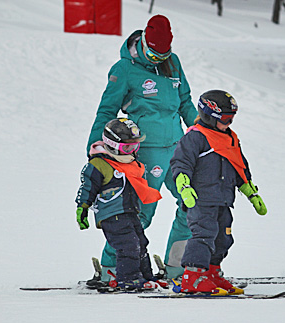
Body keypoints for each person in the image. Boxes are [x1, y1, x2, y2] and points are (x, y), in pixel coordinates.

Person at [85, 14, 198, 283]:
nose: (159, 59)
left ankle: (177, 267)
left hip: (178, 148)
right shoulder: (124, 69)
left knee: (193, 203)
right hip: (142, 152)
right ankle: (111, 268)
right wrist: (95, 146)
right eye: (154, 54)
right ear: (144, 42)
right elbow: (107, 110)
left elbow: (185, 101)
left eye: (164, 54)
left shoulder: (173, 62)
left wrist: (201, 129)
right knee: (137, 215)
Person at [170, 90, 267, 295]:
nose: (229, 123)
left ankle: (212, 273)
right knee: (204, 235)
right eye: (225, 119)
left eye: (232, 118)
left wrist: (250, 191)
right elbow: (180, 163)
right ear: (209, 115)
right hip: (200, 199)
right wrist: (184, 187)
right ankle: (193, 278)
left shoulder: (230, 138)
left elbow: (239, 166)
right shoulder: (196, 137)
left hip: (223, 198)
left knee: (223, 238)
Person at [76, 118, 162, 291]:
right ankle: (128, 279)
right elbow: (87, 187)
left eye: (135, 147)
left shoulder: (131, 163)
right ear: (112, 144)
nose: (132, 151)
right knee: (128, 245)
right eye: (127, 148)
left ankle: (146, 276)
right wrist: (82, 207)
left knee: (141, 243)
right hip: (111, 215)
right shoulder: (99, 164)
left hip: (129, 212)